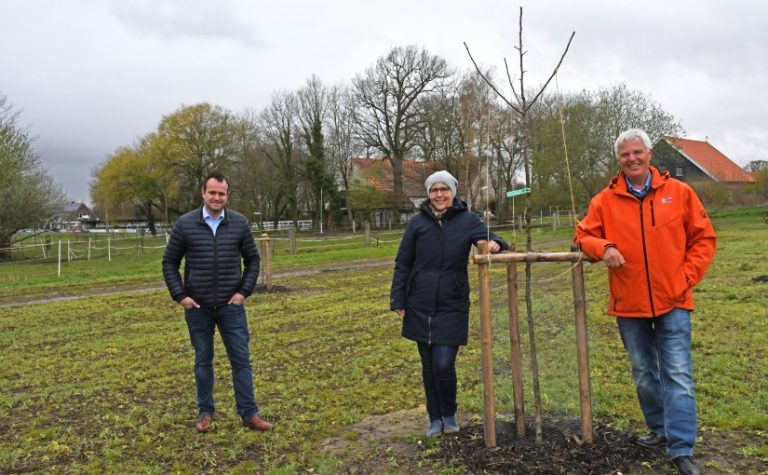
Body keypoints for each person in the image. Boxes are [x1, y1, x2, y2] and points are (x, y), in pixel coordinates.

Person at [574, 129, 716, 475]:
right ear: (618, 160)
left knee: (678, 374)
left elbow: (703, 239)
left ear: (650, 154)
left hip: (674, 300)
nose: (632, 159)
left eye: (638, 152)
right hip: (629, 303)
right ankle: (659, 429)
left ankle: (682, 449)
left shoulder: (680, 193)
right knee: (643, 373)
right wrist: (603, 248)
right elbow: (583, 235)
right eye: (625, 155)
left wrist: (684, 278)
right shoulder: (604, 201)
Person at [390, 170, 508, 437]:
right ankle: (435, 417)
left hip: (452, 302)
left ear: (453, 192)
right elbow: (403, 262)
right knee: (428, 365)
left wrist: (494, 244)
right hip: (419, 302)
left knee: (444, 363)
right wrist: (398, 298)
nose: (439, 194)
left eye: (444, 189)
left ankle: (449, 413)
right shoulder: (417, 224)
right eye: (434, 190)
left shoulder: (467, 220)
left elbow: (497, 238)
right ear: (428, 194)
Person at [162, 171, 272, 433]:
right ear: (203, 193)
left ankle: (249, 413)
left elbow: (253, 260)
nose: (216, 197)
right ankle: (205, 412)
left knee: (241, 360)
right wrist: (181, 296)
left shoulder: (240, 223)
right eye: (212, 192)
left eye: (221, 193)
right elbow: (169, 262)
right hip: (198, 307)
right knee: (203, 361)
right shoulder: (185, 224)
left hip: (230, 307)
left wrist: (244, 292)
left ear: (227, 196)